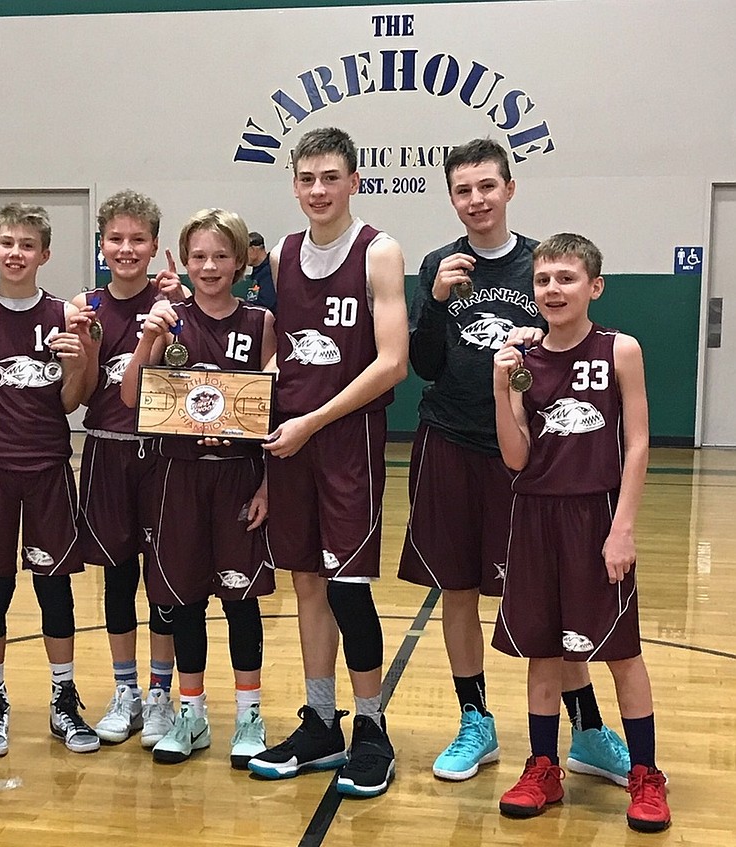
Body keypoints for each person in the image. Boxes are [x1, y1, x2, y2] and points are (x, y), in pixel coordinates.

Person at [399, 138, 630, 784]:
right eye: (463, 190)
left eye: (486, 187)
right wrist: (438, 302)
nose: (475, 200)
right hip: (448, 441)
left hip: (529, 458)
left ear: (509, 189)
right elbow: (425, 366)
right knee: (458, 588)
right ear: (451, 198)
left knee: (554, 595)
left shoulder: (541, 264)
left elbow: (573, 350)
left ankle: (585, 728)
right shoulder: (439, 265)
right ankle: (476, 721)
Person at [246, 127, 408, 799]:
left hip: (345, 442)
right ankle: (321, 719)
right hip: (292, 440)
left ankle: (373, 728)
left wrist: (313, 420)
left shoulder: (380, 251)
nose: (318, 189)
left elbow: (392, 360)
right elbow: (280, 345)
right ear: (293, 183)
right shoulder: (282, 255)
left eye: (330, 177)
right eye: (307, 178)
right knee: (306, 581)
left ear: (354, 182)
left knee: (346, 585)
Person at [491, 233, 670, 832]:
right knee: (542, 654)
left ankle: (646, 774)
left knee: (621, 654)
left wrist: (623, 529)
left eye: (566, 278)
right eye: (543, 280)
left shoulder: (620, 349)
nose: (553, 289)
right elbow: (515, 457)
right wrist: (500, 387)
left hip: (597, 515)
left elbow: (638, 442)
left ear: (594, 286)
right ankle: (543, 766)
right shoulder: (522, 362)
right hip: (534, 515)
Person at [120, 208, 276, 768]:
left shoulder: (260, 322)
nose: (209, 266)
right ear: (184, 262)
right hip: (177, 476)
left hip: (236, 479)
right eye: (199, 257)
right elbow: (133, 398)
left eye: (220, 256)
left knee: (240, 604)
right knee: (182, 603)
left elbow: (270, 412)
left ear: (239, 261)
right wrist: (147, 342)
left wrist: (266, 487)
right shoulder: (170, 321)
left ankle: (249, 717)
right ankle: (191, 714)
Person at [0, 203, 99, 757]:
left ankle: (63, 698)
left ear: (45, 254)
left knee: (53, 587)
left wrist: (79, 363)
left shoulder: (65, 314)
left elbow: (69, 402)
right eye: (7, 242)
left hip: (49, 467)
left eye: (27, 245)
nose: (16, 253)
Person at [70, 191, 181, 748]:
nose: (126, 248)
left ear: (155, 246)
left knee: (161, 582)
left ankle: (161, 695)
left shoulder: (175, 308)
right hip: (107, 452)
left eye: (138, 239)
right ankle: (125, 690)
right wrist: (85, 347)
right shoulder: (84, 306)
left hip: (163, 457)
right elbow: (83, 394)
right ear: (101, 244)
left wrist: (172, 325)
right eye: (116, 238)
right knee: (116, 580)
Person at [243, 231, 277, 312]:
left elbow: (268, 303)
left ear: (253, 250)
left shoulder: (271, 270)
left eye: (244, 252)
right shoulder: (257, 272)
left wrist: (244, 305)